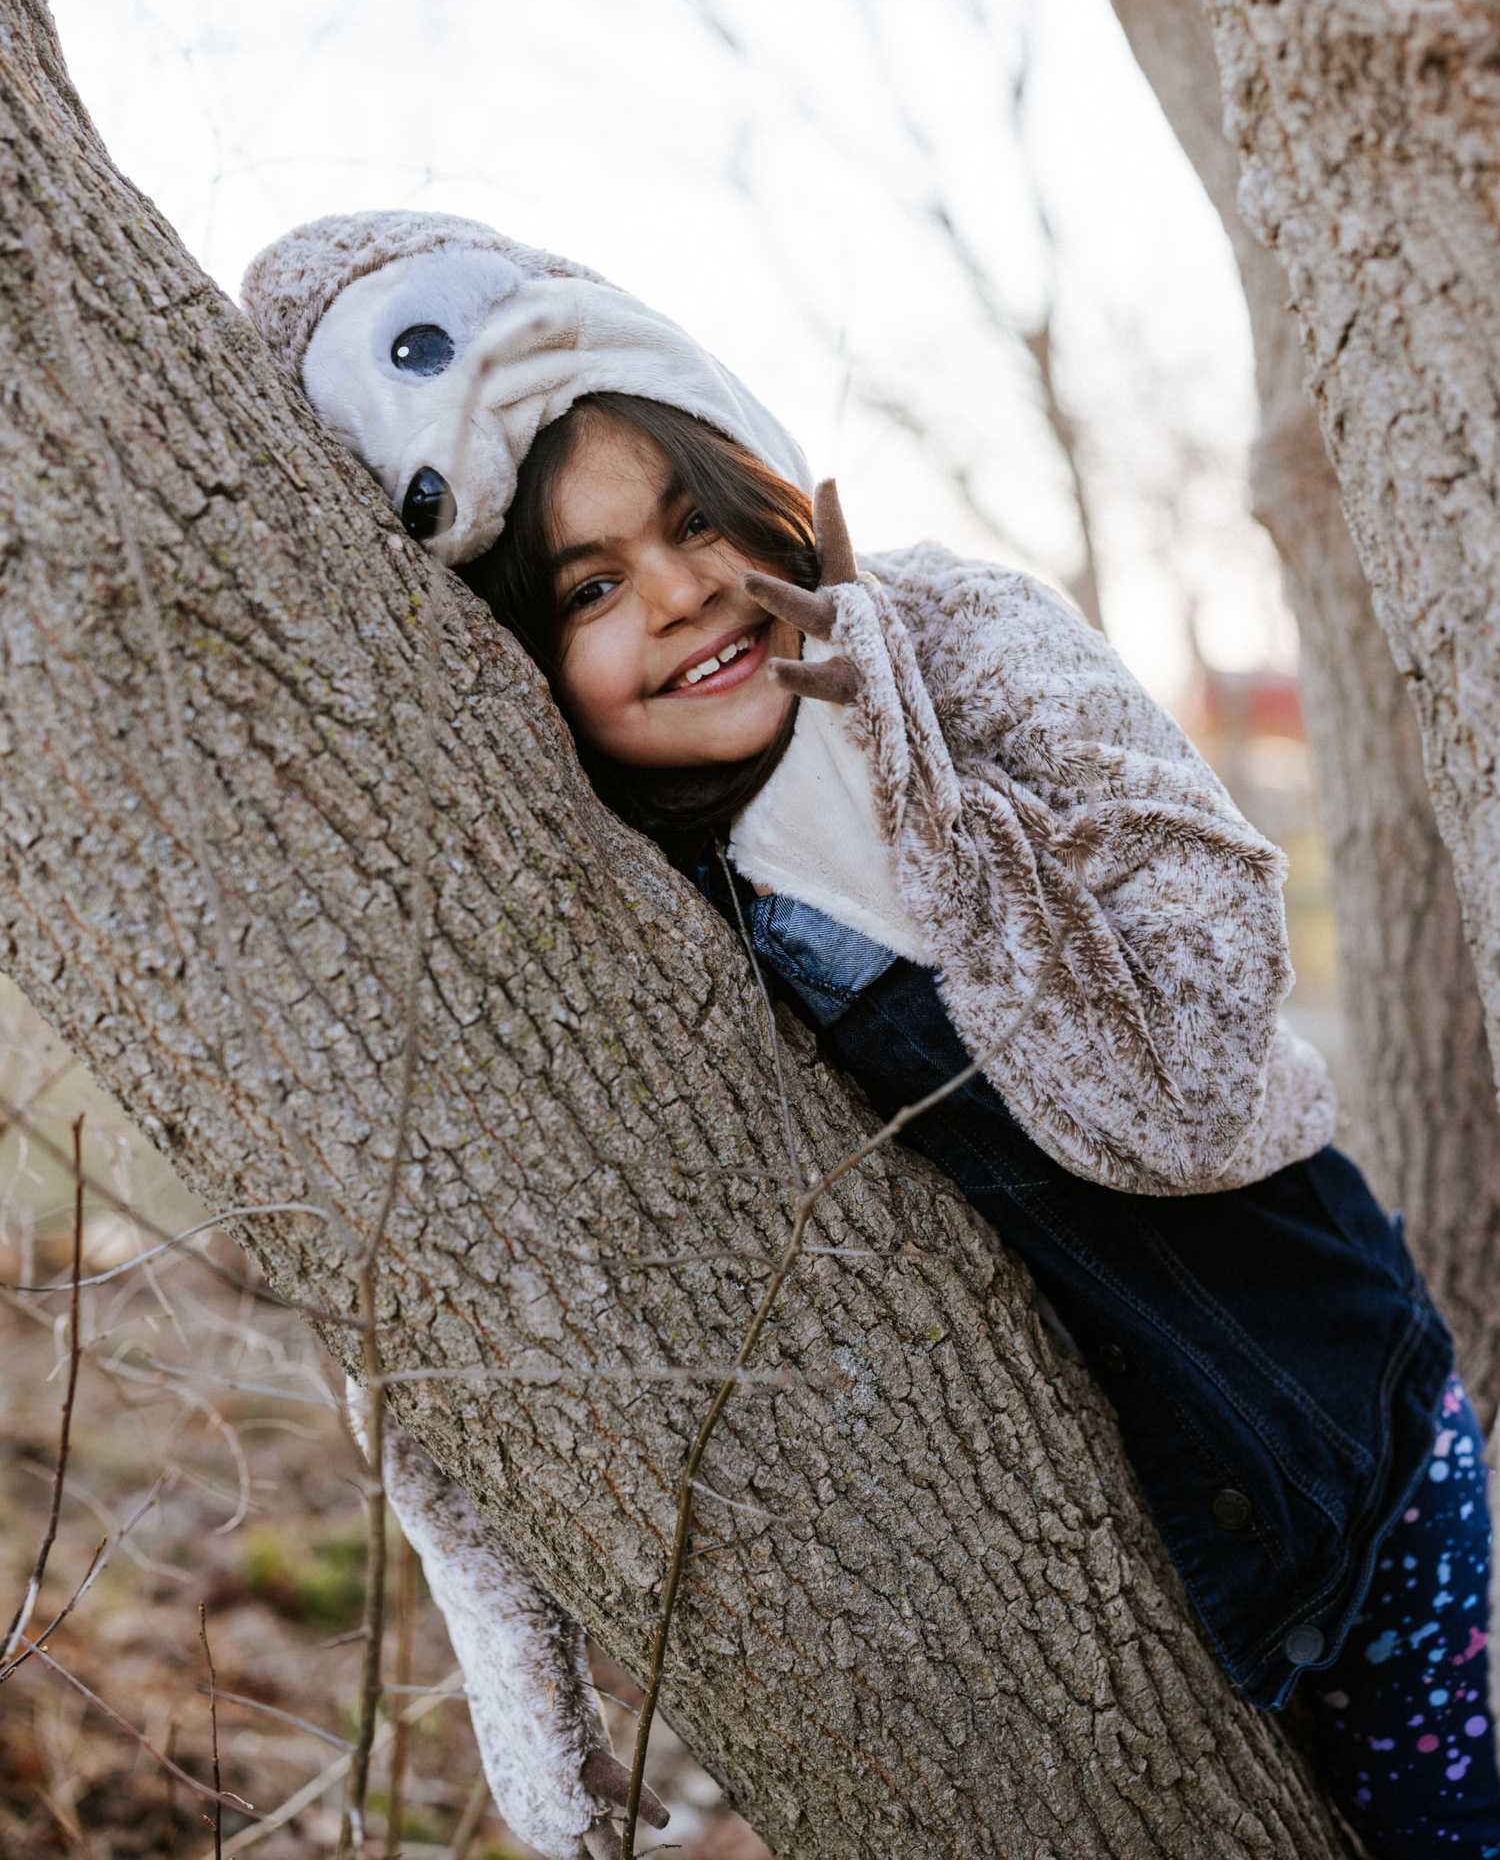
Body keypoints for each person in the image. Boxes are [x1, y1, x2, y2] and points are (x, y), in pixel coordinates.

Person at [243, 209, 1500, 1859]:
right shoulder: (606, 894)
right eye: (591, 586)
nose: (685, 590)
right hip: (1107, 1590)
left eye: (695, 518)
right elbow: (451, 1292)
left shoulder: (950, 635)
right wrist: (527, 1696)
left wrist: (907, 806)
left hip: (1347, 1440)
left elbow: (1195, 1051)